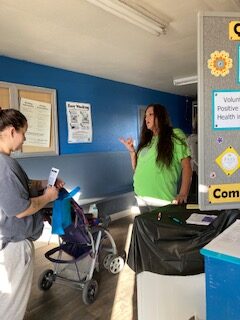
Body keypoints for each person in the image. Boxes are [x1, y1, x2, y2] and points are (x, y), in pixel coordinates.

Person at [0, 108, 65, 320]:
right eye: (23, 133)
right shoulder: (5, 166)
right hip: (14, 248)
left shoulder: (6, 164)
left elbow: (23, 186)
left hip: (7, 243)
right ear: (11, 131)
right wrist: (48, 197)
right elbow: (21, 209)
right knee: (12, 308)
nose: (25, 138)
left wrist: (45, 184)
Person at [119, 103, 192, 212]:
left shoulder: (175, 135)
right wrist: (132, 153)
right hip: (141, 196)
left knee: (161, 228)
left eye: (150, 114)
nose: (146, 118)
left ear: (160, 117)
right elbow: (137, 170)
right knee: (146, 228)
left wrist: (183, 193)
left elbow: (187, 166)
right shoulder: (146, 142)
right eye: (145, 116)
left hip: (161, 198)